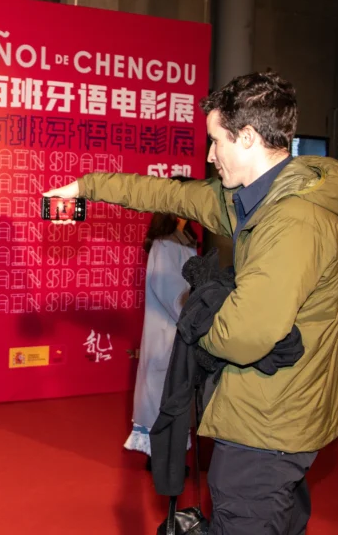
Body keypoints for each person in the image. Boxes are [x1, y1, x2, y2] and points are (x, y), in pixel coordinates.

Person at [43, 72, 338, 535]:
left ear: (249, 137)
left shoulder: (294, 221)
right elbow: (169, 193)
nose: (210, 156)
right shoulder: (249, 200)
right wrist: (85, 188)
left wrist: (200, 316)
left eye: (217, 141)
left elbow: (241, 335)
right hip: (264, 414)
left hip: (266, 427)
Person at [124, 181, 198, 468]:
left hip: (179, 331)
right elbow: (170, 291)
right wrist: (195, 316)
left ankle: (172, 451)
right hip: (169, 332)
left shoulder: (183, 241)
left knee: (175, 393)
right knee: (162, 393)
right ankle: (161, 454)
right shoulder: (166, 245)